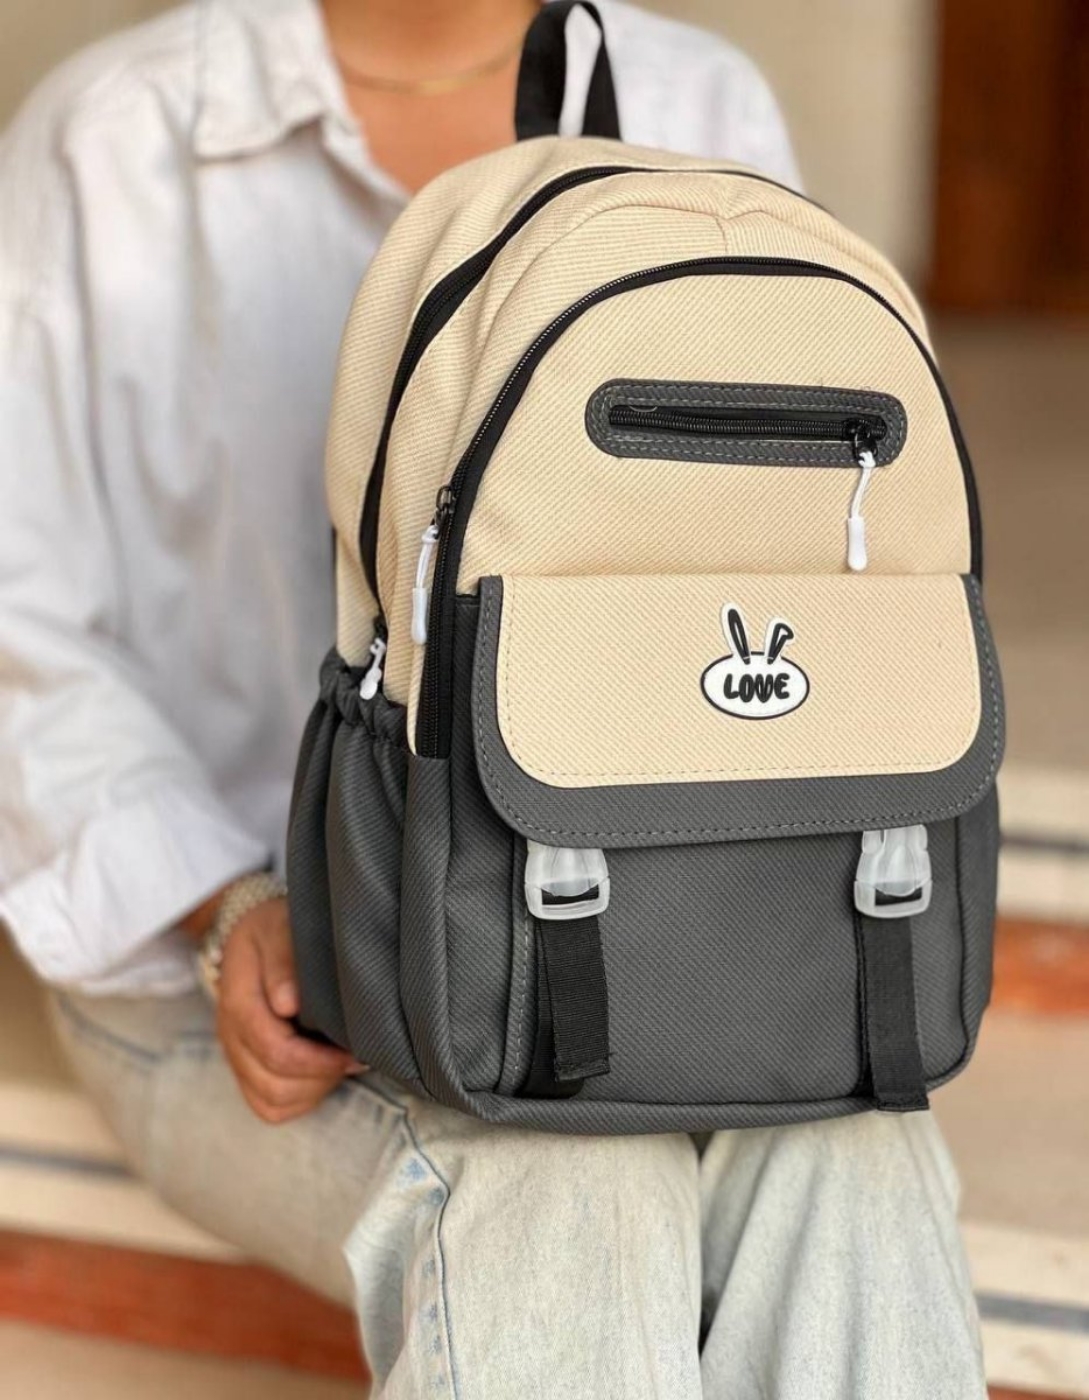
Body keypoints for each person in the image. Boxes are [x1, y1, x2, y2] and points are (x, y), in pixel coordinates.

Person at [0, 1, 988, 1395]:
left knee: (858, 1154)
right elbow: (19, 619)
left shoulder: (699, 101)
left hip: (682, 896)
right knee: (561, 1181)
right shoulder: (117, 138)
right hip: (241, 966)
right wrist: (220, 904)